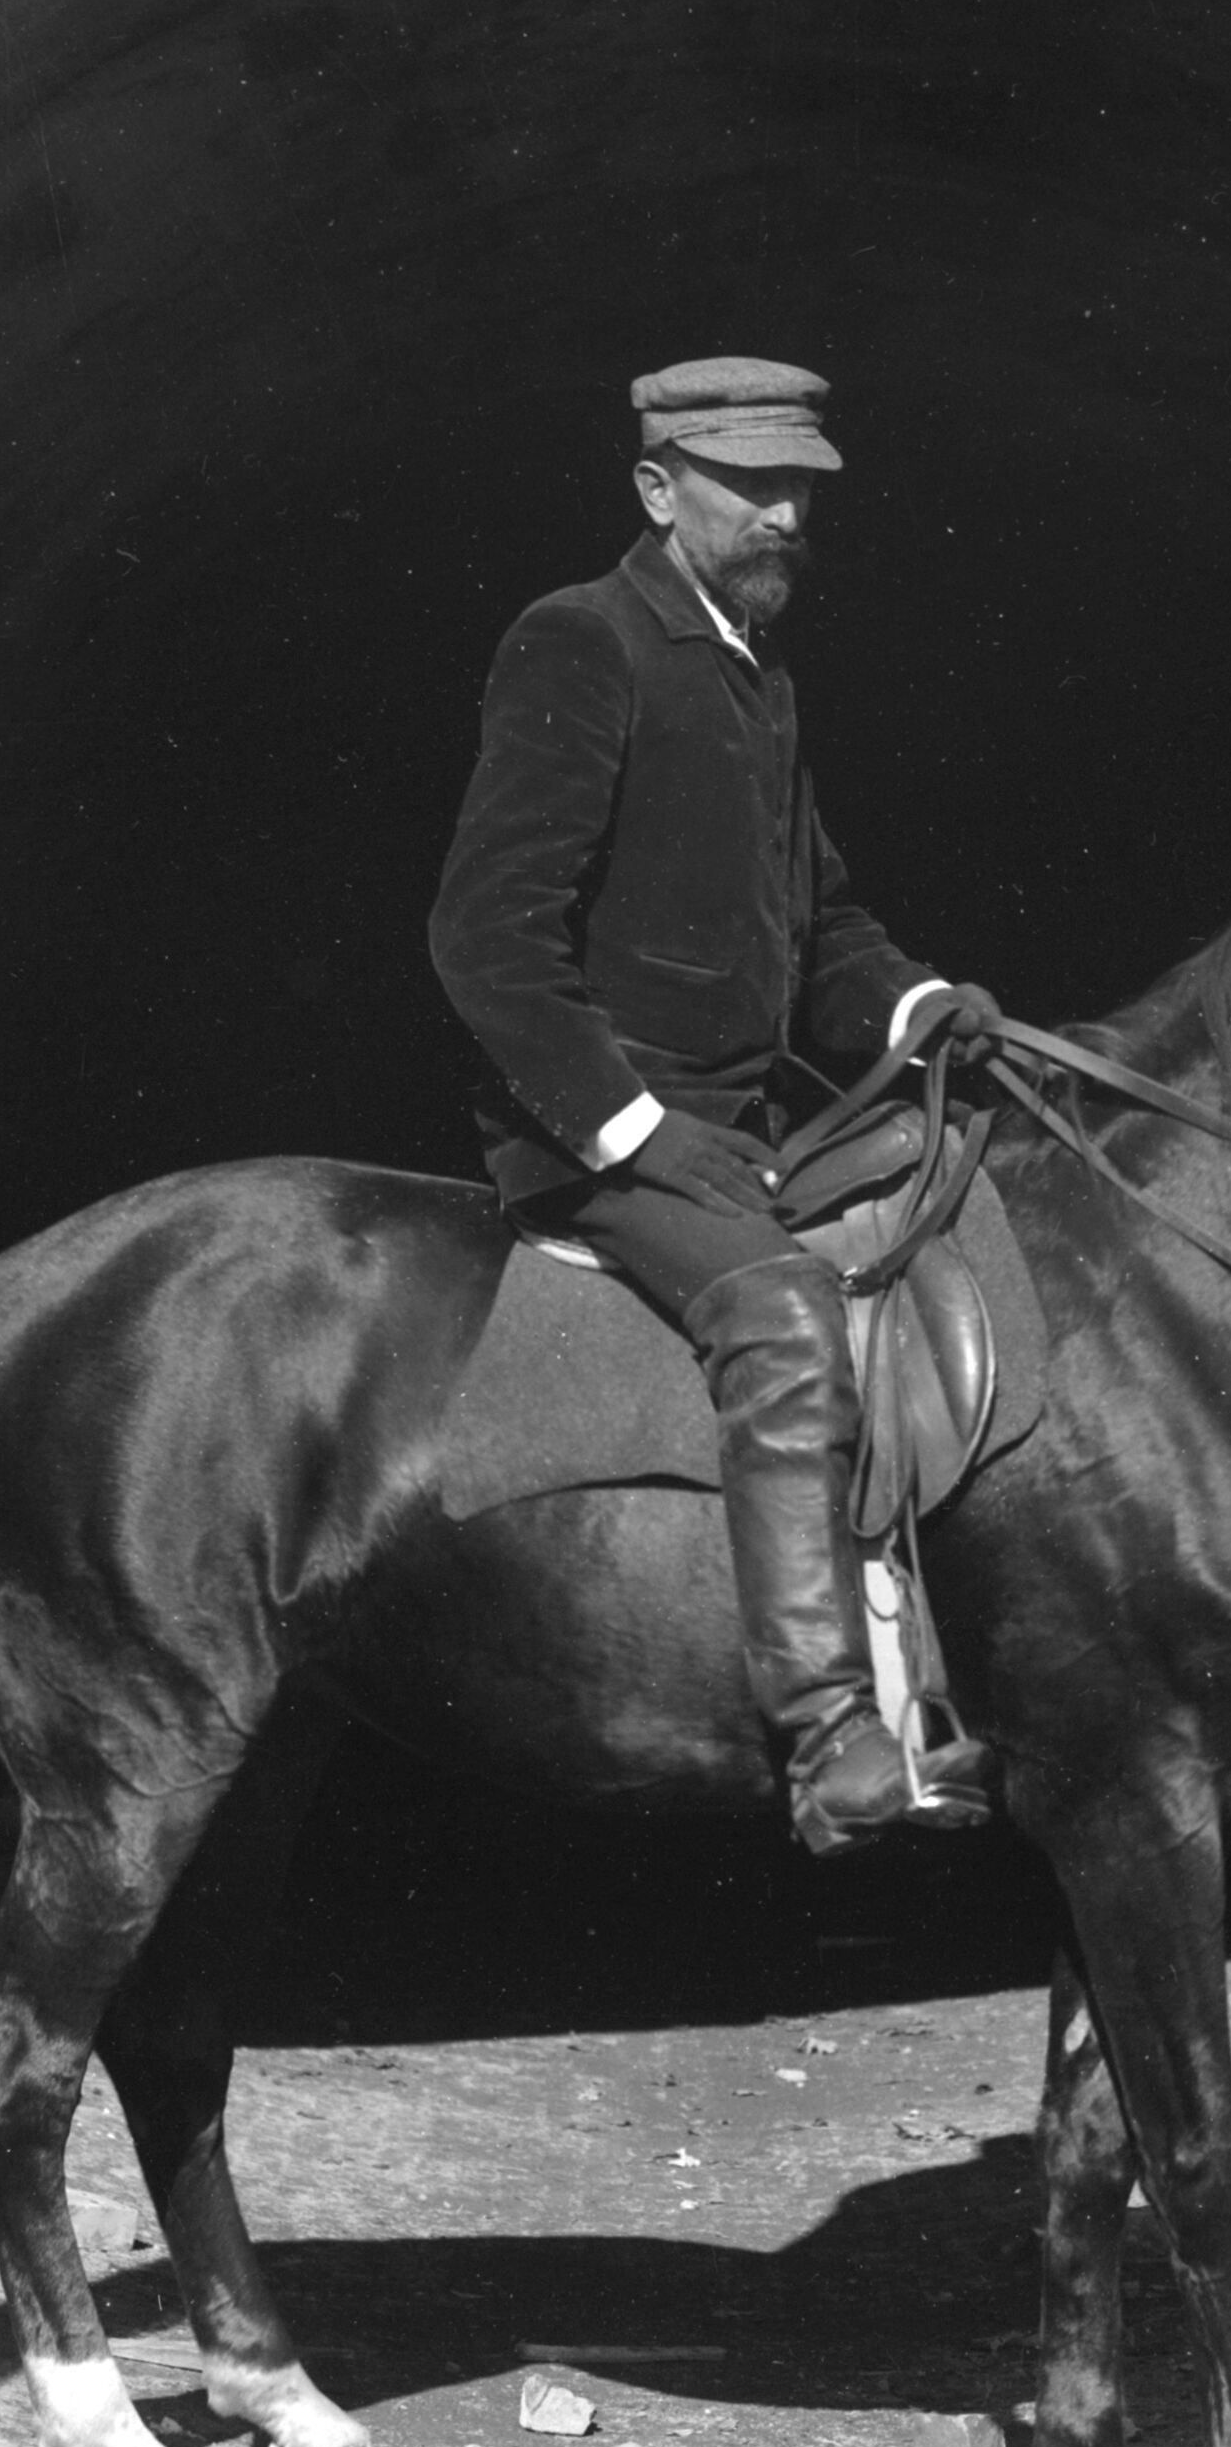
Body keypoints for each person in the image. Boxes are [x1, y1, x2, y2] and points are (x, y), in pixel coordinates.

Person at [429, 357, 1007, 1850]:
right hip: (594, 1139)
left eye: (797, 483)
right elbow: (485, 940)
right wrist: (628, 1131)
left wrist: (916, 1006)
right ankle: (827, 1741)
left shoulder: (760, 679)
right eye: (749, 482)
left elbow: (822, 933)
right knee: (784, 1317)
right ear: (656, 488)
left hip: (730, 1137)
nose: (783, 511)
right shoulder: (580, 644)